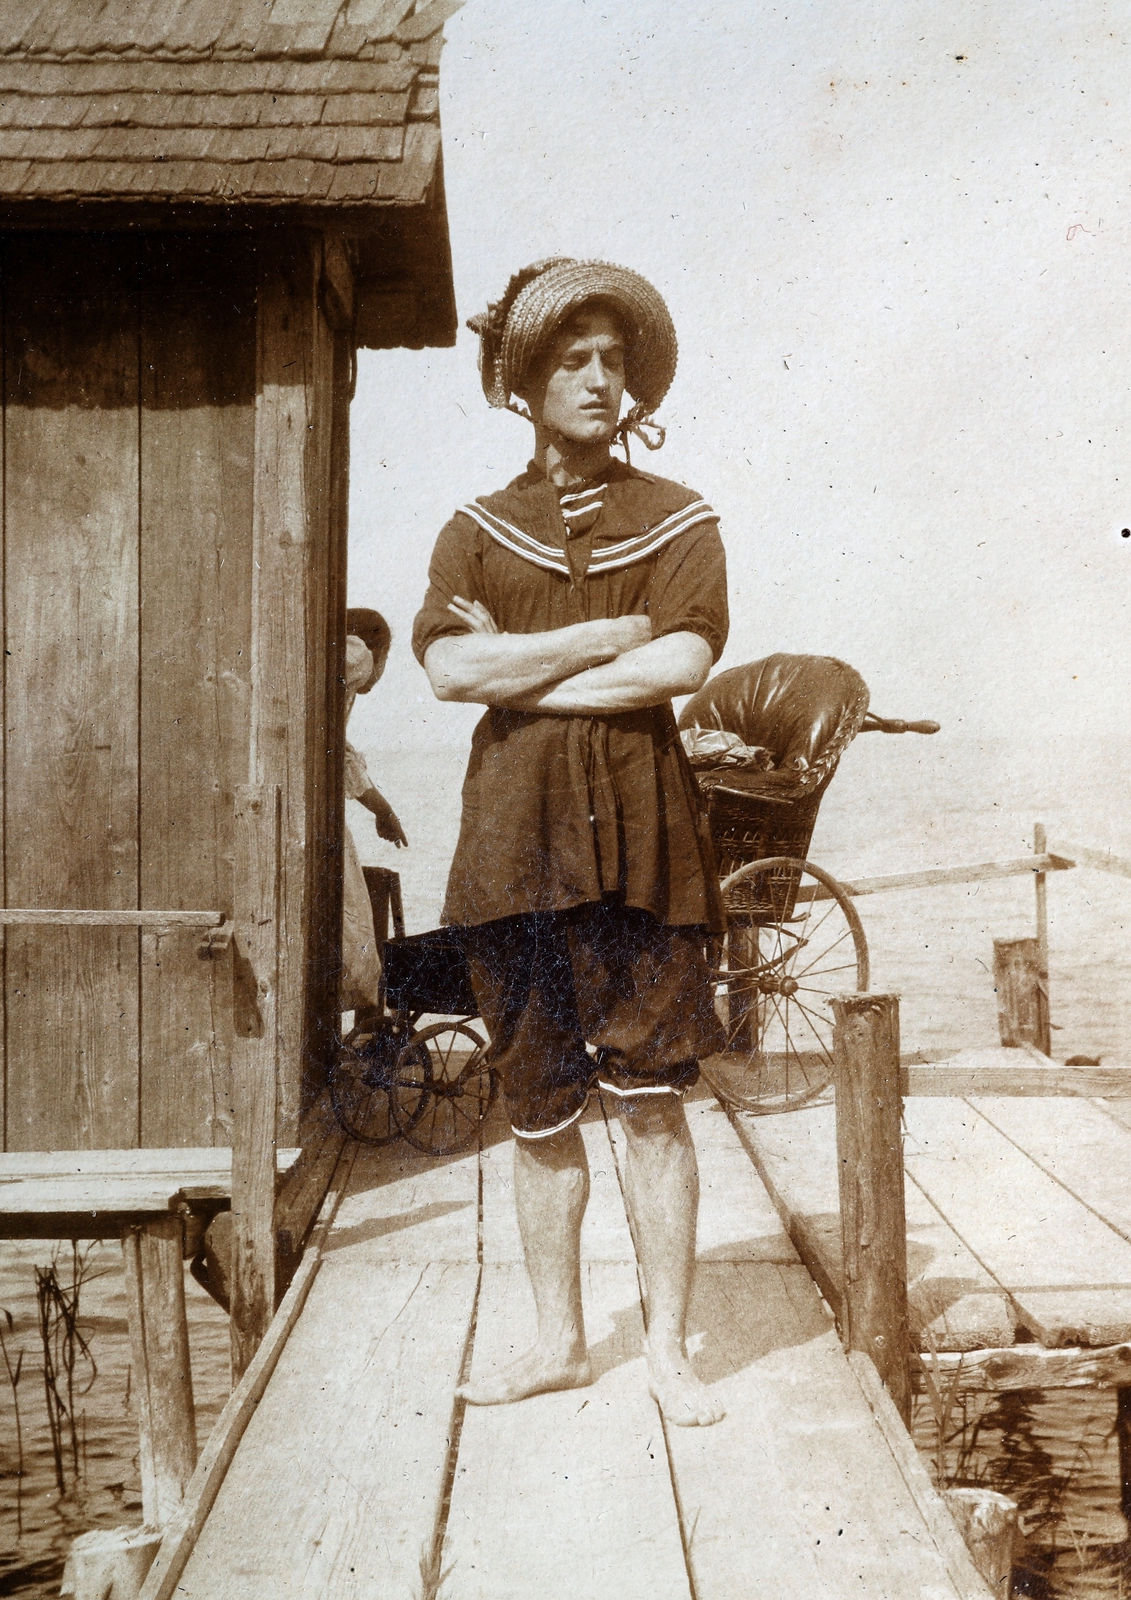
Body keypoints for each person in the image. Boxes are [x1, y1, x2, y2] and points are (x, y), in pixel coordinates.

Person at [413, 258, 730, 1427]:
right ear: (525, 381)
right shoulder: (476, 530)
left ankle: (669, 1353)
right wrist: (605, 633)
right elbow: (449, 667)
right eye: (572, 361)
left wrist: (525, 665)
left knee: (652, 1100)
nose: (600, 381)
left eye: (614, 362)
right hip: (511, 850)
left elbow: (684, 663)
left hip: (644, 846)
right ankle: (554, 1341)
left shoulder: (680, 518)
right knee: (537, 1105)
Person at [341, 608, 407, 1016]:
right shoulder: (357, 658)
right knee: (353, 928)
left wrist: (383, 810)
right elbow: (354, 654)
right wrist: (384, 812)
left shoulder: (340, 689)